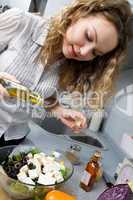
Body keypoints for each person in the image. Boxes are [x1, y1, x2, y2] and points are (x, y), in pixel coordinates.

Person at [0, 0, 132, 146]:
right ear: (77, 15)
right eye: (88, 36)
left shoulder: (71, 65)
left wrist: (59, 110)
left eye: (95, 52)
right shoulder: (20, 22)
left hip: (13, 136)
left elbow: (39, 97)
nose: (84, 51)